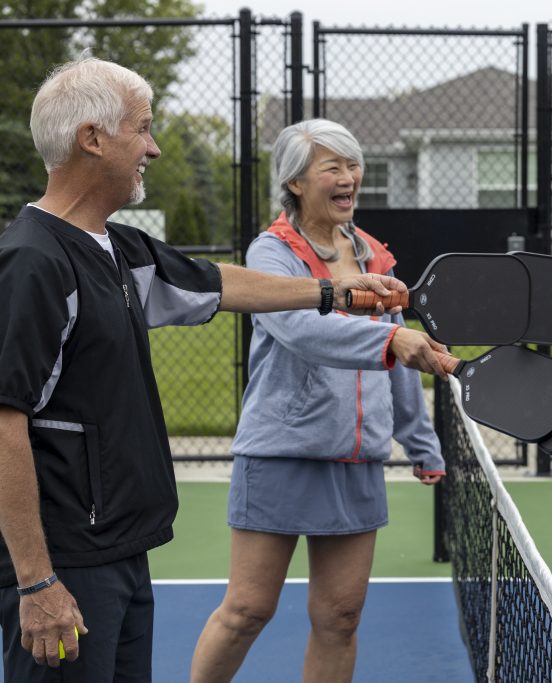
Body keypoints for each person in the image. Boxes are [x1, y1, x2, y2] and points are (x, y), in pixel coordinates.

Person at [0, 58, 446, 682]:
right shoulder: (32, 262)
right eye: (143, 129)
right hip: (66, 559)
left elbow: (218, 283)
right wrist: (36, 581)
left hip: (123, 546)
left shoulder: (120, 248)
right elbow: (4, 423)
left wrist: (337, 294)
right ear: (92, 138)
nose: (153, 148)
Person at [187, 119, 445, 682]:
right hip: (281, 452)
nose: (349, 177)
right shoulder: (270, 254)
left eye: (353, 166)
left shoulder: (376, 257)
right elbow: (300, 330)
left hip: (357, 461)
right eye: (334, 167)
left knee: (341, 617)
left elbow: (402, 359)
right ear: (296, 182)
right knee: (247, 610)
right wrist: (390, 338)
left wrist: (420, 441)